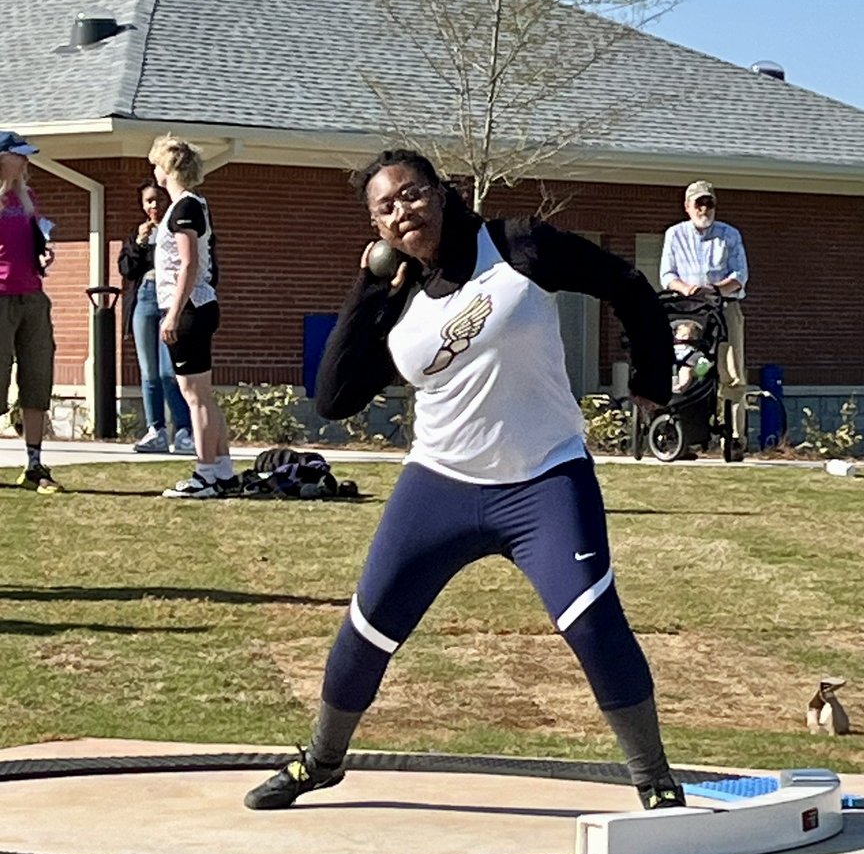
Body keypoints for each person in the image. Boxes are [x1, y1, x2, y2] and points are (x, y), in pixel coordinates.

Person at [245, 148, 686, 814]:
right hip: (440, 485)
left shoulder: (517, 246)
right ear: (377, 228)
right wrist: (368, 286)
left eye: (412, 194)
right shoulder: (398, 298)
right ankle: (322, 760)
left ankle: (654, 779)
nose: (403, 211)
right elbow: (333, 396)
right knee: (368, 629)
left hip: (545, 479)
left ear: (442, 192)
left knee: (594, 624)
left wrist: (651, 378)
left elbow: (625, 284)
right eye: (386, 208)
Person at [147, 135, 236, 499]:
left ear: (168, 169)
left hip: (190, 308)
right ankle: (223, 470)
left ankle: (205, 474)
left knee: (194, 395)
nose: (154, 172)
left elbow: (189, 264)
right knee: (202, 394)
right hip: (196, 307)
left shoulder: (186, 207)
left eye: (156, 165)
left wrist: (173, 314)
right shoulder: (187, 206)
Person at [659, 181, 749, 454]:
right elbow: (667, 275)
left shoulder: (729, 235)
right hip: (687, 310)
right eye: (699, 203)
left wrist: (715, 289)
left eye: (709, 203)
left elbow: (740, 275)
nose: (704, 209)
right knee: (689, 365)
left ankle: (735, 439)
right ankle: (682, 432)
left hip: (723, 307)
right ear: (687, 206)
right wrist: (686, 289)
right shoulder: (675, 234)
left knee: (731, 374)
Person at [0, 130, 62, 493]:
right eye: (19, 154)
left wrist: (44, 253)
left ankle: (35, 465)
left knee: (37, 379)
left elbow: (36, 241)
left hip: (33, 297)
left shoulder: (29, 198)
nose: (26, 160)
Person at [118, 179, 195, 455]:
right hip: (144, 299)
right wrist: (139, 243)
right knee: (149, 371)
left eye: (159, 200)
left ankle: (184, 430)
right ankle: (156, 431)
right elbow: (127, 270)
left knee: (168, 371)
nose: (154, 206)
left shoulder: (178, 229)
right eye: (148, 201)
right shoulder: (140, 233)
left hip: (169, 301)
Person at [671, 319, 712, 394]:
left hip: (690, 361)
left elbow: (705, 362)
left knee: (686, 370)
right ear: (676, 335)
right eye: (683, 335)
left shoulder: (696, 349)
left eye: (690, 337)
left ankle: (682, 386)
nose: (686, 338)